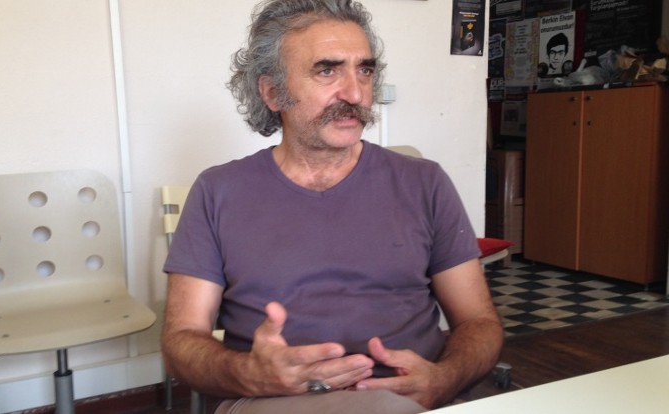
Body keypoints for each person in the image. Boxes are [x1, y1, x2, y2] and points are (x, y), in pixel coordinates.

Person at [161, 1, 503, 413]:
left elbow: (479, 323)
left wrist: (446, 379)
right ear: (271, 92)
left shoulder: (424, 183)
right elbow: (181, 341)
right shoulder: (218, 191)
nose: (355, 93)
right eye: (327, 71)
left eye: (365, 70)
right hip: (272, 399)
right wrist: (250, 374)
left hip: (408, 401)